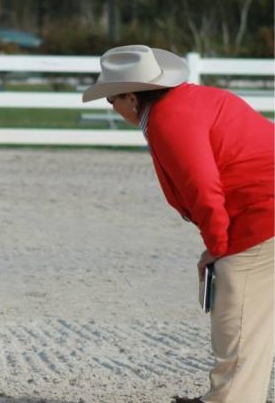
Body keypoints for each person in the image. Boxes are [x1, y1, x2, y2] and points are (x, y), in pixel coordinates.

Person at [82, 45, 274, 403]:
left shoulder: (169, 118)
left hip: (262, 215)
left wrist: (217, 249)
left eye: (112, 100)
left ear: (131, 96)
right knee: (252, 324)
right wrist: (216, 247)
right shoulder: (189, 101)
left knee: (239, 322)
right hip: (260, 211)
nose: (112, 108)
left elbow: (204, 191)